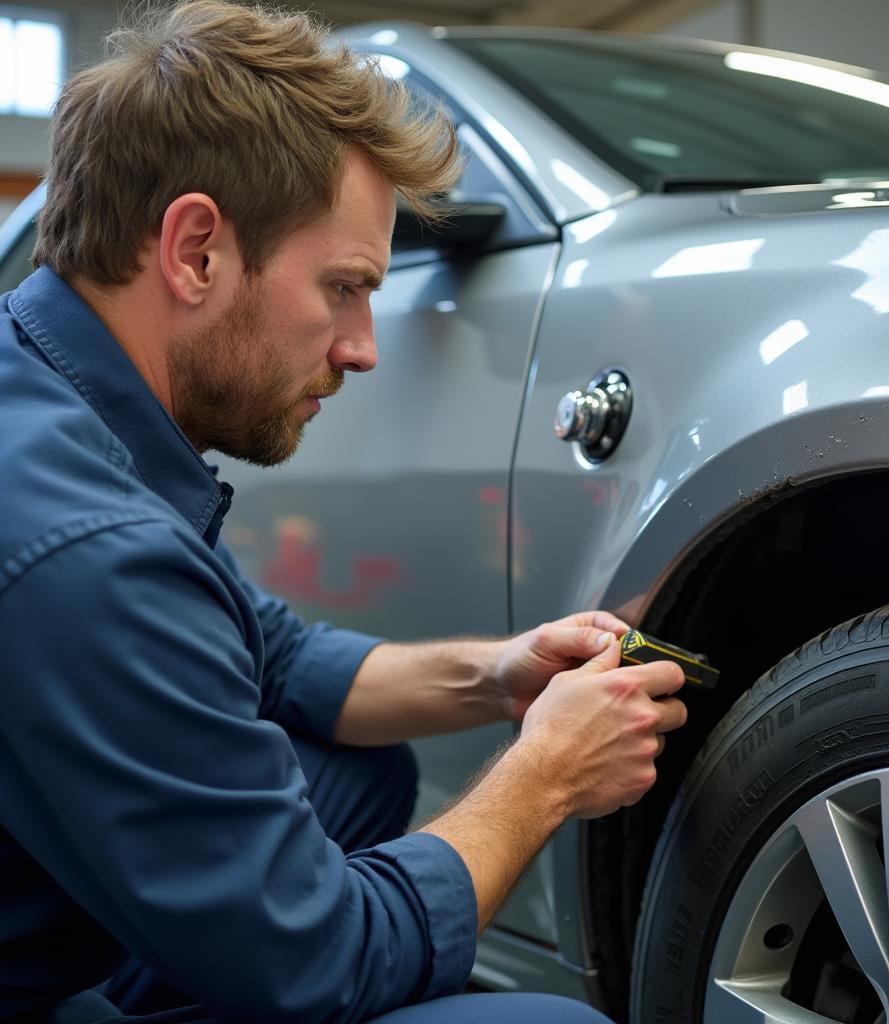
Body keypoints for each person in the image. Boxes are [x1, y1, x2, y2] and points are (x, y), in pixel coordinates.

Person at [0, 2, 688, 1022]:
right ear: (195, 251)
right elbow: (322, 961)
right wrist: (542, 774)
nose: (363, 345)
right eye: (344, 286)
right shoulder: (85, 548)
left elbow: (266, 656)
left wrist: (497, 676)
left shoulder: (52, 405)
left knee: (353, 773)